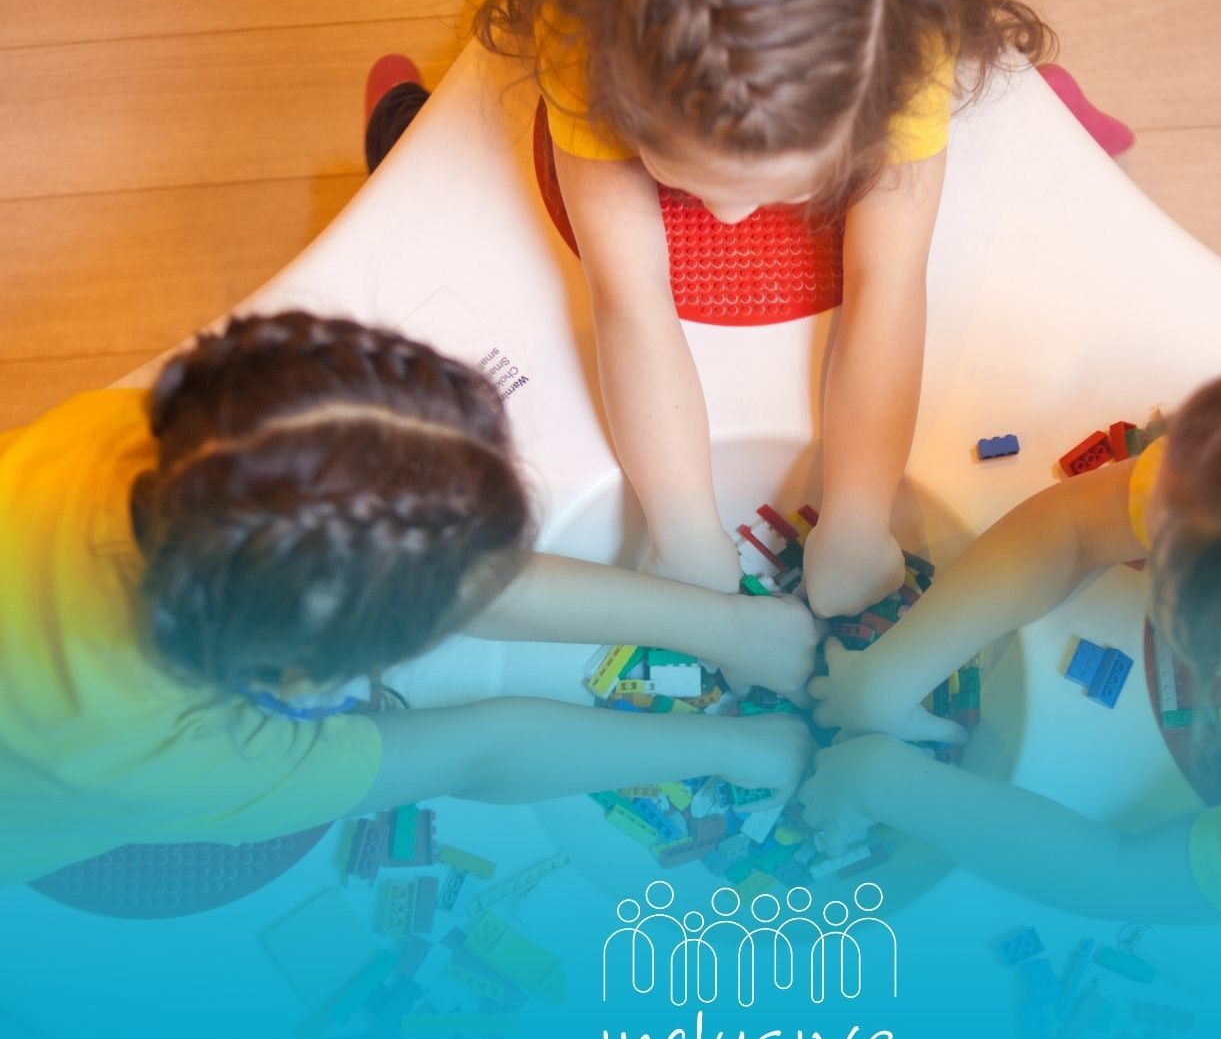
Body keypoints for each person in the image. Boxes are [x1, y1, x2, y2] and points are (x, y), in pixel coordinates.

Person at [0, 312, 816, 885]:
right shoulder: (175, 755)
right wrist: (730, 749)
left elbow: (412, 555)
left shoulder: (137, 438)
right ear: (304, 681)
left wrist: (730, 625)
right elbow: (478, 753)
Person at [799, 346, 1221, 921]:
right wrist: (885, 677)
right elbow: (1074, 526)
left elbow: (1127, 879)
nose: (1131, 524)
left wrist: (884, 783)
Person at [470, 0, 1051, 616]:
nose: (729, 217)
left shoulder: (905, 43)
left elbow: (890, 277)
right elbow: (626, 293)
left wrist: (861, 521)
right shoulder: (586, 32)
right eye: (684, 178)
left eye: (789, 188)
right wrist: (682, 534)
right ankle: (399, 112)